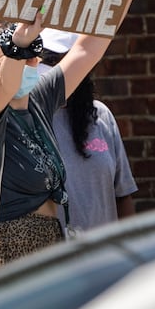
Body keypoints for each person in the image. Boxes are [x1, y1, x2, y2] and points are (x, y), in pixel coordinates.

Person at [0, 0, 155, 277]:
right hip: (11, 256)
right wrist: (20, 45)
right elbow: (8, 82)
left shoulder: (39, 99)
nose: (34, 62)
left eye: (36, 54)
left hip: (52, 250)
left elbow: (86, 51)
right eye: (19, 55)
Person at [49, 68, 138, 232]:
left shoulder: (101, 115)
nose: (63, 68)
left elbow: (122, 196)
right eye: (52, 60)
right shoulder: (30, 120)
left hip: (107, 253)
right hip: (56, 254)